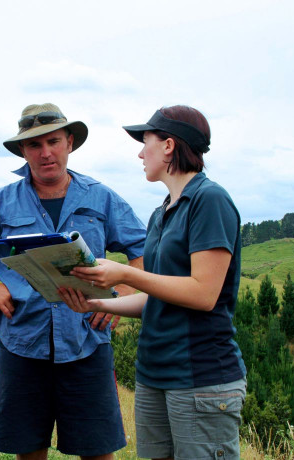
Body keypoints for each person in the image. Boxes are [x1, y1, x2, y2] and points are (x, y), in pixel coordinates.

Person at [0, 103, 146, 460]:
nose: (45, 152)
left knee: (97, 449)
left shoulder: (102, 198)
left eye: (53, 141)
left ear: (69, 142)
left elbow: (143, 251)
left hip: (87, 341)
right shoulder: (1, 202)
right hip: (22, 340)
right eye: (35, 145)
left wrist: (121, 294)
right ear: (23, 150)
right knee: (27, 448)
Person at [58, 105, 247, 460]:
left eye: (146, 142)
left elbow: (204, 294)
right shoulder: (161, 213)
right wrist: (96, 303)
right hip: (153, 376)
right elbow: (160, 298)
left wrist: (126, 274)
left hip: (201, 378)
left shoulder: (209, 200)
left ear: (169, 146)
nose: (140, 153)